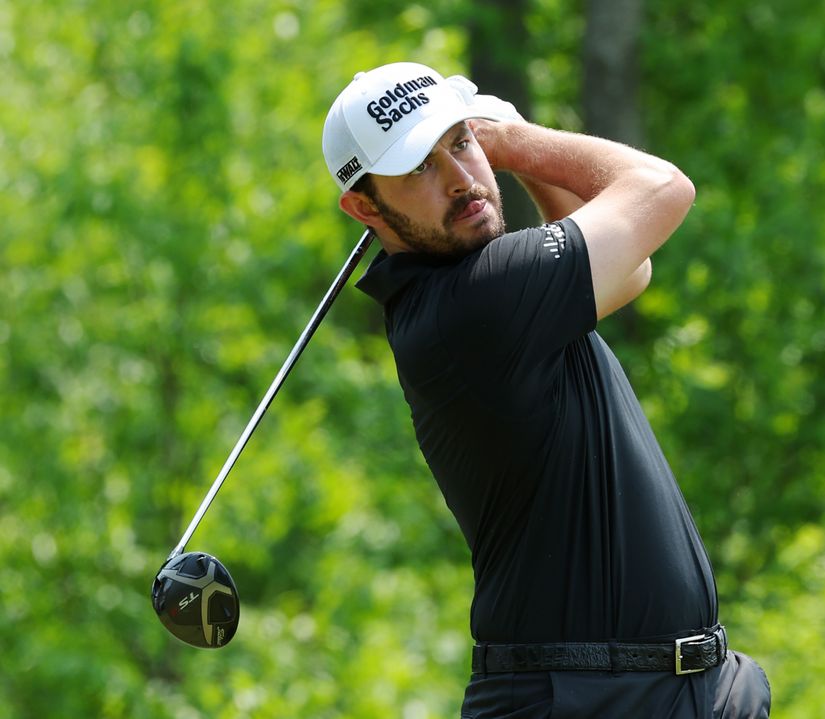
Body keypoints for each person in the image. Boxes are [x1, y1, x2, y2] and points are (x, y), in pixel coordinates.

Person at [321, 61, 770, 718]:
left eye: (461, 142)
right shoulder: (475, 303)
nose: (461, 178)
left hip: (675, 688)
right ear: (364, 206)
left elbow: (630, 268)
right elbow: (662, 187)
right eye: (419, 165)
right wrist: (515, 142)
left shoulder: (480, 293)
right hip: (579, 697)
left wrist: (513, 154)